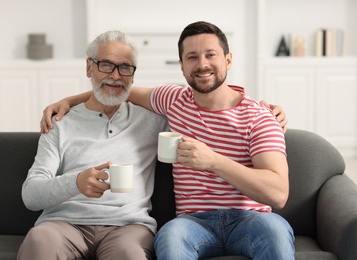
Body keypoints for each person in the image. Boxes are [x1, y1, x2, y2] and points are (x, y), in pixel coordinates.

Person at [40, 21, 294, 259]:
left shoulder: (259, 116)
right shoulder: (173, 100)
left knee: (275, 232)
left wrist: (215, 161)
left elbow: (278, 193)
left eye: (210, 55)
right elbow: (115, 86)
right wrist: (68, 101)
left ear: (228, 59)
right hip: (192, 222)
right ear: (182, 66)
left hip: (251, 218)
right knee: (170, 238)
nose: (202, 64)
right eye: (192, 57)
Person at [17, 30, 168, 260]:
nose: (116, 75)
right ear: (89, 68)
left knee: (129, 255)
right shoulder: (59, 123)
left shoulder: (153, 121)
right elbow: (31, 195)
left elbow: (194, 113)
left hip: (128, 228)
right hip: (64, 225)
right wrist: (76, 182)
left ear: (133, 75)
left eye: (125, 67)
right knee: (39, 241)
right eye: (106, 64)